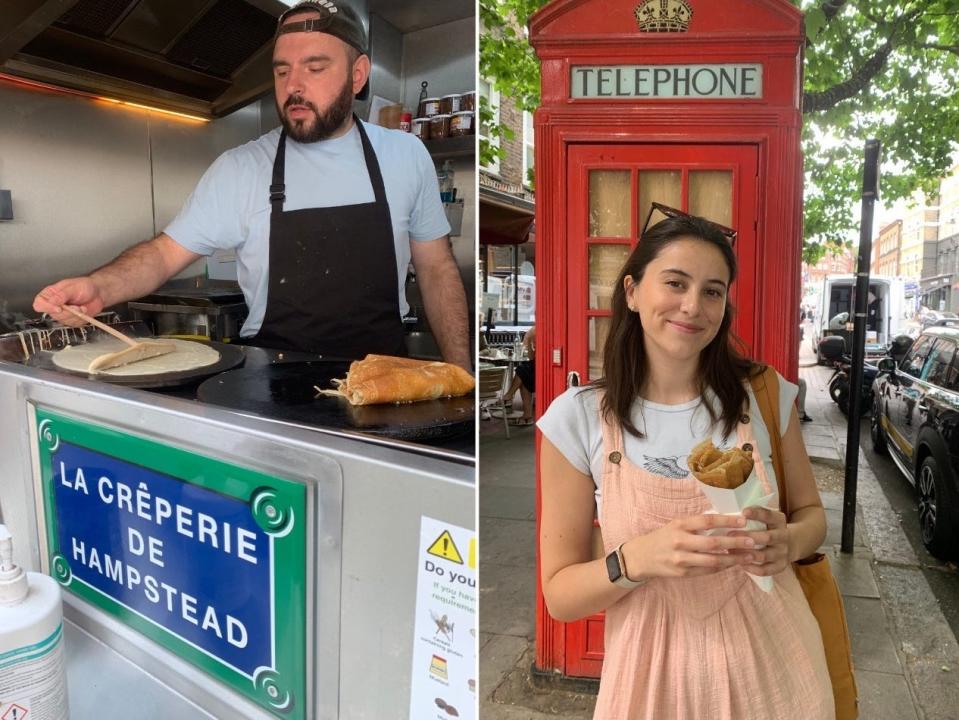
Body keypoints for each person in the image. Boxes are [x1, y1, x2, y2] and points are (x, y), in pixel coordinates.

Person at [32, 1, 470, 370]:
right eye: (282, 72)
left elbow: (436, 268)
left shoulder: (405, 156)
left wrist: (462, 376)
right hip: (271, 389)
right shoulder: (242, 168)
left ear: (357, 75)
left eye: (315, 68)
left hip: (383, 381)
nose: (294, 87)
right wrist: (100, 287)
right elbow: (165, 254)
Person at [538, 214, 834, 719]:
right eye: (675, 283)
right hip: (648, 687)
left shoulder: (764, 394)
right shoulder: (579, 417)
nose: (693, 306)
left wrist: (789, 542)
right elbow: (560, 596)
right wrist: (638, 559)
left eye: (713, 291)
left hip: (780, 674)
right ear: (632, 290)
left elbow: (812, 515)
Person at [506, 326, 535, 426]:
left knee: (522, 370)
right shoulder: (535, 331)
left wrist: (531, 340)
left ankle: (509, 394)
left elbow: (531, 357)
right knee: (524, 377)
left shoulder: (534, 331)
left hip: (543, 371)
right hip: (541, 368)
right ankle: (527, 416)